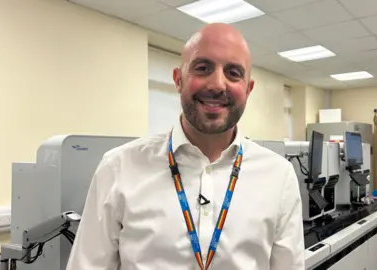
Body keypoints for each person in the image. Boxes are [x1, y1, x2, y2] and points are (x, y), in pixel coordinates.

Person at [66, 23, 305, 270]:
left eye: (233, 73)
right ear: (178, 80)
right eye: (203, 68)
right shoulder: (118, 168)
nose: (217, 84)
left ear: (248, 88)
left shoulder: (279, 176)